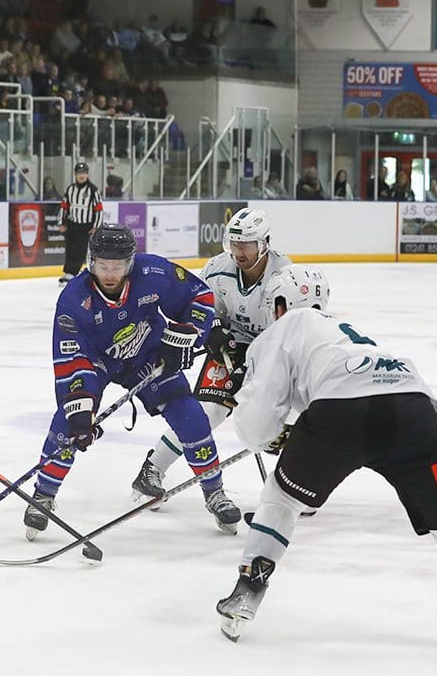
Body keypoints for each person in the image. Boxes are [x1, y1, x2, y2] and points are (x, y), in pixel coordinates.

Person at [214, 272, 437, 658]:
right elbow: (428, 409)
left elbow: (255, 430)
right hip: (413, 410)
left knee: (282, 499)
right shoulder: (350, 337)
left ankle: (248, 590)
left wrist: (266, 420)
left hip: (341, 411)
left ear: (280, 306)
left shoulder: (286, 327)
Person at [25, 223, 241, 539]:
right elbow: (72, 358)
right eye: (102, 266)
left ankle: (215, 491)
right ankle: (43, 494)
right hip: (96, 363)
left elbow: (199, 296)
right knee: (67, 425)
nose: (110, 273)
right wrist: (80, 410)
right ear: (90, 261)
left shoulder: (152, 272)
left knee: (192, 417)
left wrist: (183, 335)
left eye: (118, 266)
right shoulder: (73, 300)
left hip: (148, 357)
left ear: (131, 262)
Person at [134, 208, 293, 502]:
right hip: (229, 348)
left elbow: (287, 334)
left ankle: (295, 483)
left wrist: (257, 371)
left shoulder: (284, 277)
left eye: (246, 244)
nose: (238, 251)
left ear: (265, 243)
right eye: (234, 243)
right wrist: (213, 330)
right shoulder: (218, 269)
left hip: (272, 354)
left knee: (290, 419)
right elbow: (200, 307)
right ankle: (151, 469)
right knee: (205, 414)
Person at [56, 162, 103, 286]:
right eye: (79, 173)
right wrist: (61, 222)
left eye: (84, 173)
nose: (81, 176)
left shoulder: (93, 190)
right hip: (72, 224)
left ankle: (73, 273)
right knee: (70, 248)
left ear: (87, 174)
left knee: (79, 250)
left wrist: (96, 226)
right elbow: (64, 206)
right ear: (75, 175)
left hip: (85, 226)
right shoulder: (71, 189)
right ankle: (68, 272)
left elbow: (98, 209)